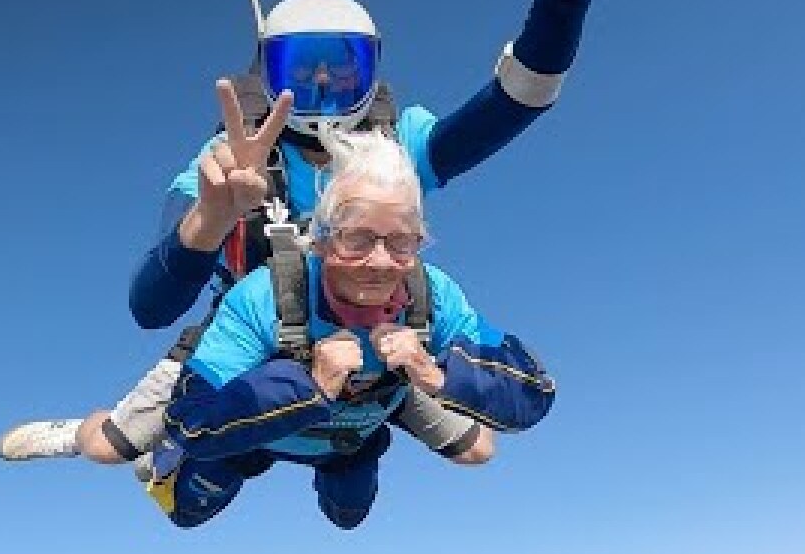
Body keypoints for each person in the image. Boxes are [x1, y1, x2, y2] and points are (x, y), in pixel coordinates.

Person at [0, 0, 644, 470]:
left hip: (377, 336)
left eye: (343, 67)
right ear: (264, 71)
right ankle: (87, 438)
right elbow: (151, 308)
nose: (326, 86)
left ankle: (358, 426)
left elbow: (520, 99)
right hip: (259, 335)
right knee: (111, 446)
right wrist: (210, 218)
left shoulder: (398, 146)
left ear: (372, 70)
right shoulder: (234, 160)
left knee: (478, 448)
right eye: (302, 69)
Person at [152, 129, 555, 528]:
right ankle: (139, 452)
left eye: (401, 242)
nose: (380, 262)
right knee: (187, 512)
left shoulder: (435, 296)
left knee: (349, 516)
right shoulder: (268, 295)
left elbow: (533, 391)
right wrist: (307, 383)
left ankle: (346, 464)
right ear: (322, 241)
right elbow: (190, 418)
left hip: (347, 445)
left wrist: (436, 373)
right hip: (257, 436)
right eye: (357, 239)